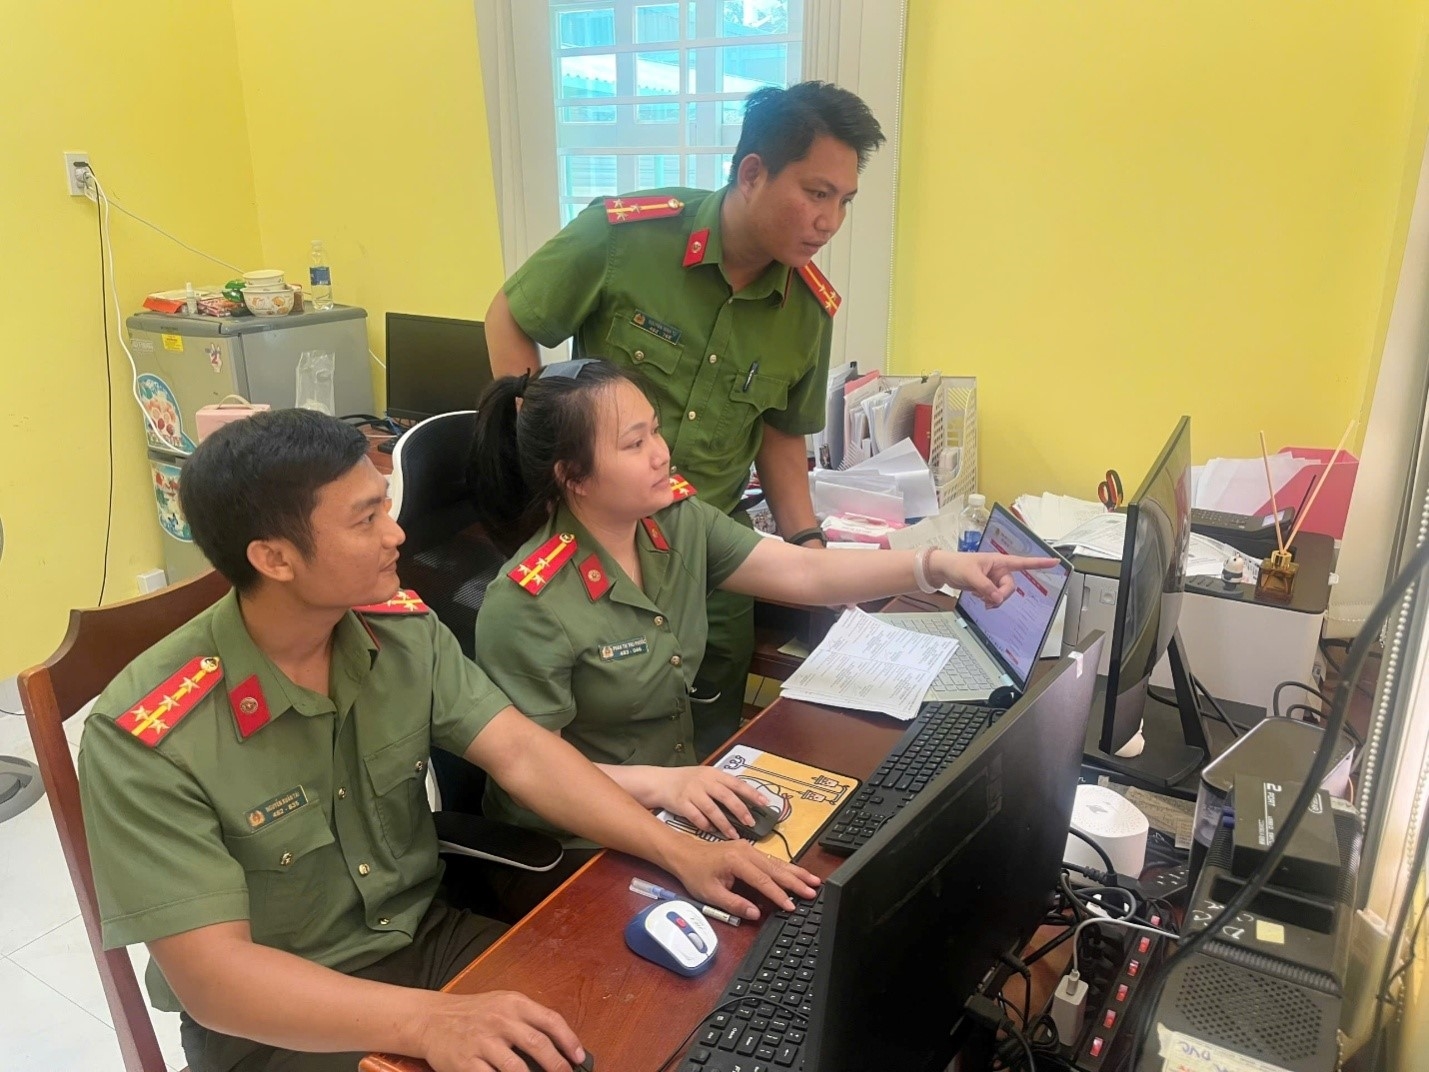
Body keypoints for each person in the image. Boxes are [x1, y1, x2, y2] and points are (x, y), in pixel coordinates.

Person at [77, 408, 818, 1072]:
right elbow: (214, 982)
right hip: (279, 1024)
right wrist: (429, 1022)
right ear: (274, 559)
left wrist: (680, 851)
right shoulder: (148, 735)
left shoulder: (399, 630)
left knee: (650, 1020)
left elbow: (522, 752)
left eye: (385, 505)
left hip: (428, 943)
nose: (396, 533)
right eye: (366, 519)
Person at [466, 360, 1058, 900]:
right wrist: (664, 787)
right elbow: (533, 771)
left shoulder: (673, 521)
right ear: (573, 476)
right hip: (573, 848)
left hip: (677, 804)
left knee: (842, 867)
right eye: (635, 443)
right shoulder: (527, 603)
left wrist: (936, 565)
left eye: (656, 431)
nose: (661, 454)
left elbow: (802, 570)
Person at [484, 81, 886, 758]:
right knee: (581, 756)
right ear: (752, 173)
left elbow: (781, 437)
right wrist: (545, 460)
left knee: (707, 753)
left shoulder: (806, 307)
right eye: (816, 193)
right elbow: (510, 318)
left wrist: (807, 550)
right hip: (597, 551)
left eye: (844, 201)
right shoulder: (626, 237)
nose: (829, 221)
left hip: (710, 559)